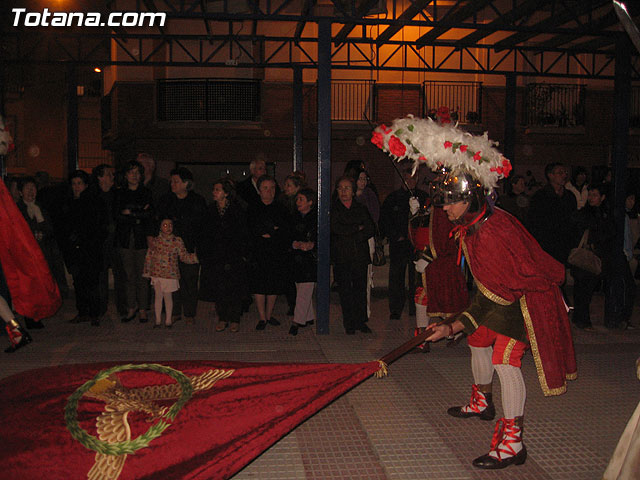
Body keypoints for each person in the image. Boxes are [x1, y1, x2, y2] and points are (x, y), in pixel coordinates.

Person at [372, 115, 576, 470]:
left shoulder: (490, 234)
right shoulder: (475, 223)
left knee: (505, 361)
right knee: (478, 338)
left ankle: (513, 443)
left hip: (524, 301)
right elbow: (487, 291)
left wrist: (452, 325)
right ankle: (483, 401)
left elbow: (495, 297)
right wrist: (459, 325)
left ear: (471, 196)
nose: (445, 209)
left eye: (450, 202)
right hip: (503, 294)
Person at [410, 199, 470, 353]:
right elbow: (422, 228)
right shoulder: (433, 203)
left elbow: (444, 238)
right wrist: (415, 213)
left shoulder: (446, 206)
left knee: (445, 298)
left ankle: (453, 330)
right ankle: (423, 338)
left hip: (441, 262)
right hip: (427, 259)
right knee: (422, 298)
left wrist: (428, 257)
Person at [198, 179, 249, 333]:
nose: (214, 192)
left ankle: (234, 319)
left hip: (233, 256)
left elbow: (243, 234)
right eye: (214, 189)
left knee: (234, 287)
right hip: (216, 256)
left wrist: (243, 254)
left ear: (226, 193)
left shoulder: (237, 210)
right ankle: (222, 317)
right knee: (219, 288)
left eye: (218, 190)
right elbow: (205, 234)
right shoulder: (210, 210)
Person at [156, 167, 206, 324]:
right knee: (172, 281)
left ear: (186, 183)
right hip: (169, 250)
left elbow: (202, 226)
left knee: (190, 281)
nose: (173, 184)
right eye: (172, 181)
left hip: (190, 247)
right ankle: (175, 311)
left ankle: (190, 313)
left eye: (176, 181)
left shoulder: (197, 201)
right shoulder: (166, 200)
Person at [15, 176, 66, 327]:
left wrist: (41, 224)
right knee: (27, 288)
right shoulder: (17, 209)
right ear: (20, 192)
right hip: (25, 255)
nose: (31, 192)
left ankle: (37, 315)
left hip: (42, 253)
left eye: (33, 188)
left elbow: (50, 229)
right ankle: (30, 317)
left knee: (40, 288)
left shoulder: (41, 208)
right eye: (27, 188)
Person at [59, 170, 108, 326]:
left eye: (79, 183)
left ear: (86, 185)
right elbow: (63, 227)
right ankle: (82, 312)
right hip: (74, 250)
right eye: (74, 184)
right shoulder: (67, 203)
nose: (76, 187)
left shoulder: (94, 201)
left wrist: (89, 240)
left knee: (92, 282)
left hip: (90, 249)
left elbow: (99, 226)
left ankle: (94, 313)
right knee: (78, 282)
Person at [379, 168, 428, 319]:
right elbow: (385, 220)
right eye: (407, 179)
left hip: (416, 245)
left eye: (413, 179)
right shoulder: (393, 198)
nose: (410, 182)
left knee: (417, 278)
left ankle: (415, 307)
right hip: (399, 244)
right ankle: (395, 309)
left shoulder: (423, 197)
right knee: (396, 277)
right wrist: (394, 236)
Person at [331, 176, 375, 334]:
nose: (343, 191)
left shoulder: (361, 208)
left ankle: (360, 321)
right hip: (342, 256)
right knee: (345, 290)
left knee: (360, 290)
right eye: (340, 188)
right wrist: (357, 228)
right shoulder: (334, 209)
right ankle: (349, 323)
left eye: (347, 188)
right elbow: (336, 229)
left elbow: (370, 228)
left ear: (353, 191)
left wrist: (353, 232)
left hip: (359, 256)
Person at [115, 160, 155, 323]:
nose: (134, 175)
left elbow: (149, 215)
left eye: (137, 172)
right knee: (129, 275)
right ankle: (131, 307)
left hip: (141, 238)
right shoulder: (119, 193)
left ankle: (143, 309)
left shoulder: (146, 192)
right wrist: (138, 211)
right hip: (125, 239)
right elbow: (117, 215)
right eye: (131, 172)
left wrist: (130, 212)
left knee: (143, 275)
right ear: (125, 175)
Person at [247, 175, 289, 330]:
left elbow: (284, 229)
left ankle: (269, 314)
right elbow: (252, 228)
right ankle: (262, 317)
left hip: (275, 251)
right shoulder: (252, 208)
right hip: (258, 252)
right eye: (265, 188)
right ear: (259, 190)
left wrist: (270, 231)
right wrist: (270, 229)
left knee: (273, 284)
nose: (269, 191)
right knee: (259, 284)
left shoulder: (281, 208)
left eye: (272, 188)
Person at [143, 218, 198, 328]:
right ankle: (158, 320)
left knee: (168, 296)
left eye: (170, 225)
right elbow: (149, 256)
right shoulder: (155, 241)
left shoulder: (177, 241)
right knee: (158, 296)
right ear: (160, 227)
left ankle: (168, 320)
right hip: (157, 273)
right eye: (165, 225)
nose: (168, 227)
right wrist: (147, 271)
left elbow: (183, 256)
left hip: (170, 273)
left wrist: (197, 257)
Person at [91, 164, 128, 318]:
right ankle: (101, 307)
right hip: (100, 241)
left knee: (121, 275)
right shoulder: (93, 196)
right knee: (101, 276)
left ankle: (122, 307)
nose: (112, 177)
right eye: (108, 174)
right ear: (100, 177)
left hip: (116, 241)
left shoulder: (118, 195)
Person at [527, 162, 577, 265]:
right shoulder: (540, 197)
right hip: (547, 244)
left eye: (565, 172)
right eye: (560, 173)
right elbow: (534, 222)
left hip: (565, 243)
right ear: (550, 175)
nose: (564, 175)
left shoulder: (570, 196)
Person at [289, 188, 317, 336]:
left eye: (301, 199)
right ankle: (308, 316)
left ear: (310, 202)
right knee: (300, 288)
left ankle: (297, 321)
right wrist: (294, 244)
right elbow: (288, 234)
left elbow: (322, 238)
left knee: (304, 290)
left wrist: (312, 244)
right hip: (297, 258)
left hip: (310, 260)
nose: (297, 202)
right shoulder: (294, 217)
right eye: (297, 199)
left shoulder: (316, 218)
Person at [354, 168, 380, 320]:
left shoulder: (370, 196)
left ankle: (365, 311)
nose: (362, 182)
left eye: (365, 179)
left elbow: (374, 218)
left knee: (365, 277)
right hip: (350, 241)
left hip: (366, 239)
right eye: (360, 179)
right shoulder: (348, 195)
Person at [279, 173, 305, 316]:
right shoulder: (283, 201)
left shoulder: (301, 202)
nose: (286, 188)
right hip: (287, 244)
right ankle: (292, 303)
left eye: (289, 185)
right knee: (288, 277)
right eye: (285, 185)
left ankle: (299, 305)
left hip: (297, 244)